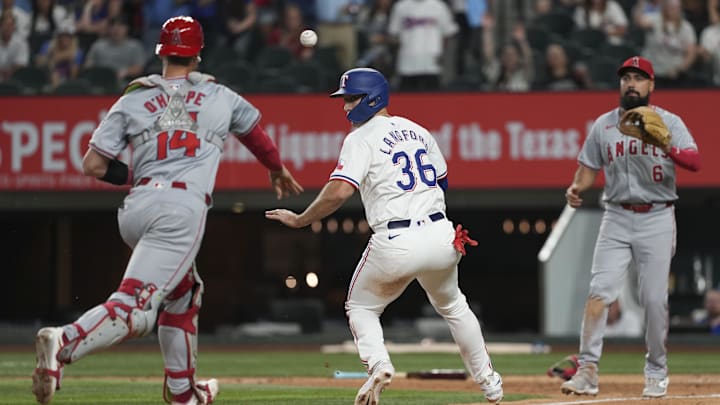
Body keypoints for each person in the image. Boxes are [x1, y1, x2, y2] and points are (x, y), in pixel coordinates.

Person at [31, 15, 303, 405]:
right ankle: (64, 341)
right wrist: (276, 169)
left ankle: (182, 393)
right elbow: (255, 135)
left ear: (161, 53)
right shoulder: (218, 95)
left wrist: (142, 176)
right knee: (135, 309)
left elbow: (92, 165)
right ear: (198, 54)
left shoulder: (133, 97)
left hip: (137, 207)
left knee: (184, 293)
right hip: (180, 210)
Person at [265, 67, 503, 405]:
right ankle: (491, 384)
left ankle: (379, 364)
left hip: (397, 239)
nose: (345, 107)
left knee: (360, 307)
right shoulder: (419, 131)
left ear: (371, 97)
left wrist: (302, 219)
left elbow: (337, 193)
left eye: (351, 98)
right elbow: (442, 182)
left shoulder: (360, 138)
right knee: (454, 306)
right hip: (441, 235)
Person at [561, 55, 701, 399]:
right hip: (617, 216)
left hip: (657, 215)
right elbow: (588, 167)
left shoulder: (668, 122)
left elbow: (696, 162)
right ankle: (588, 371)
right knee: (598, 294)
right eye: (626, 78)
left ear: (651, 85)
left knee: (654, 300)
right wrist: (577, 187)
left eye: (639, 78)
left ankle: (656, 370)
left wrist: (664, 143)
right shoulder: (603, 126)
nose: (631, 84)